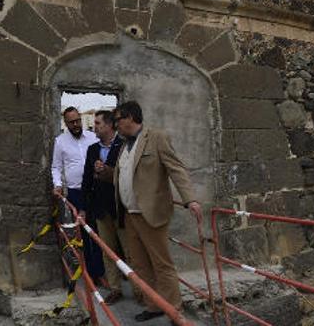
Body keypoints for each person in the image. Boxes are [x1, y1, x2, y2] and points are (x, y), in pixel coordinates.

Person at [96, 101, 201, 322]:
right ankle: (154, 305)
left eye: (118, 119)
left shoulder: (156, 138)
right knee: (140, 265)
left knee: (161, 263)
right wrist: (106, 173)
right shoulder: (125, 145)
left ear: (131, 118)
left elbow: (176, 168)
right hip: (129, 215)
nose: (115, 124)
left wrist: (190, 199)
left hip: (150, 213)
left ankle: (174, 310)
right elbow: (124, 176)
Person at [51, 107, 104, 281]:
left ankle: (103, 272)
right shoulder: (60, 141)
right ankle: (91, 274)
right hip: (76, 193)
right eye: (71, 122)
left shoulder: (92, 137)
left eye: (77, 121)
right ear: (65, 123)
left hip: (96, 190)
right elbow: (56, 167)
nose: (75, 125)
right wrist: (58, 185)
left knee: (99, 231)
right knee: (84, 234)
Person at [81, 110, 125, 304]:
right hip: (100, 209)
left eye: (98, 123)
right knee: (107, 251)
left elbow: (126, 177)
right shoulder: (92, 149)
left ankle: (141, 291)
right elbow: (86, 180)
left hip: (121, 208)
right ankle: (116, 289)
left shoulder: (123, 146)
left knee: (130, 250)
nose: (95, 126)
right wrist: (84, 207)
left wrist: (107, 172)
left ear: (108, 126)